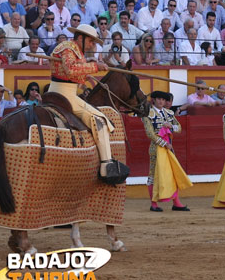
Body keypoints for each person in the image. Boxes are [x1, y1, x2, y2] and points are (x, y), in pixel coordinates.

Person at [49, 23, 129, 184]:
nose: (93, 44)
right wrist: (94, 67)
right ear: (80, 38)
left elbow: (72, 74)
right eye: (91, 41)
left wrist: (88, 75)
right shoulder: (68, 48)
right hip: (64, 94)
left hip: (65, 91)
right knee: (99, 120)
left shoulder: (75, 50)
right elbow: (71, 69)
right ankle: (106, 166)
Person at [142, 91, 192, 212]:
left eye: (163, 100)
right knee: (154, 175)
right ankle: (153, 203)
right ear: (154, 100)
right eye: (159, 99)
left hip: (169, 149)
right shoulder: (147, 114)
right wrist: (165, 144)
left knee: (173, 174)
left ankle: (176, 202)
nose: (161, 102)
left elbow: (179, 128)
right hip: (156, 148)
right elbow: (150, 134)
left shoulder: (169, 113)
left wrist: (171, 126)